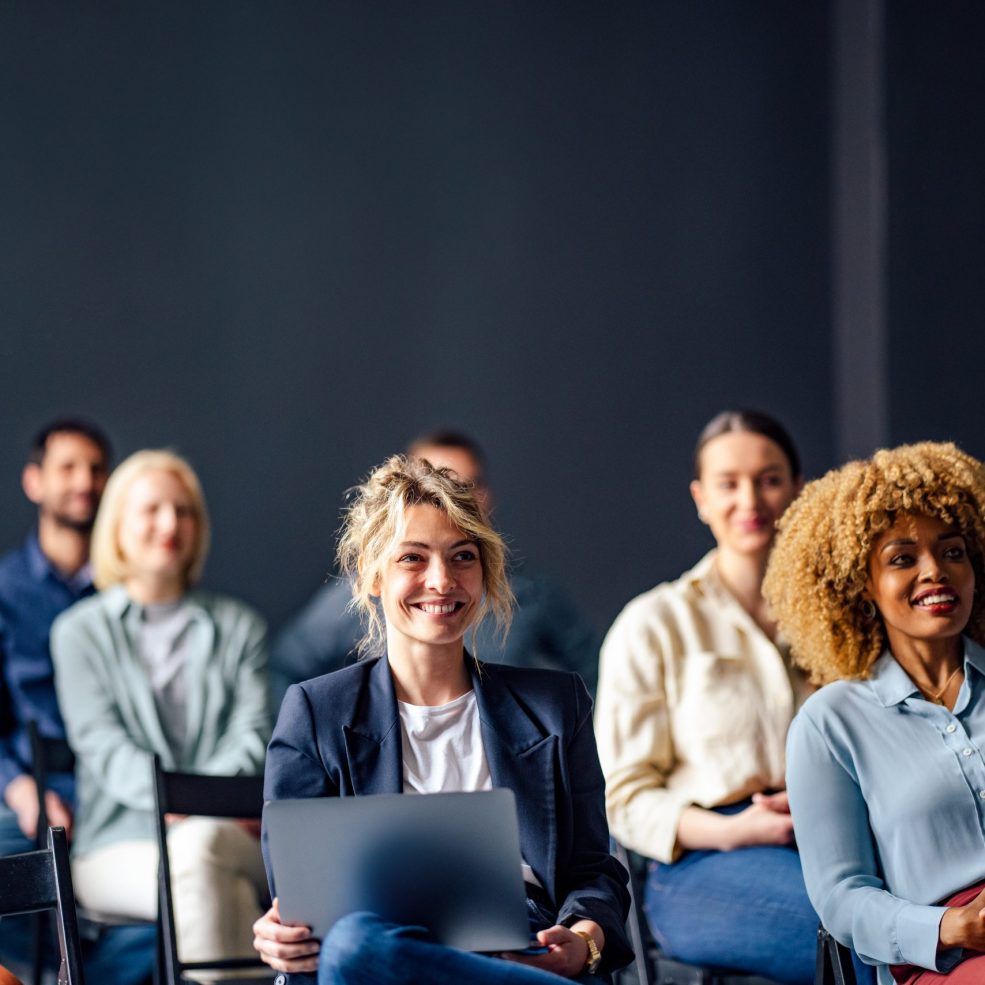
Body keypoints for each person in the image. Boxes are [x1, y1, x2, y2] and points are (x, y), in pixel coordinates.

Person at [252, 455, 632, 985]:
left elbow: (594, 870)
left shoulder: (555, 704)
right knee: (355, 945)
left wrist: (585, 941)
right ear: (371, 573)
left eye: (462, 557)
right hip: (378, 946)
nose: (442, 580)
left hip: (522, 943)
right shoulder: (315, 713)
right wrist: (284, 934)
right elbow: (297, 894)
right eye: (413, 557)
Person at [594, 409, 822, 985]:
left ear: (797, 488)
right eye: (728, 483)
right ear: (700, 497)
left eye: (770, 479)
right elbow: (623, 799)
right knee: (861, 933)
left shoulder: (835, 613)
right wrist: (737, 829)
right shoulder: (654, 623)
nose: (751, 499)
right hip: (706, 862)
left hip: (834, 839)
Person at [763, 441, 985, 985]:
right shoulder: (829, 723)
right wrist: (951, 927)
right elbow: (842, 900)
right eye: (902, 558)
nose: (935, 571)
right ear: (863, 583)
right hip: (949, 957)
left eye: (953, 551)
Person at [50, 449, 271, 966]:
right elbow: (102, 746)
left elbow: (253, 737)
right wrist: (179, 803)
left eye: (185, 510)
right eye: (151, 509)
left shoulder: (242, 627)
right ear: (117, 525)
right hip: (115, 847)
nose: (170, 523)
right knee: (205, 875)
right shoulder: (79, 632)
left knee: (197, 853)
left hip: (227, 834)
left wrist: (191, 805)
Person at [270, 430, 599, 700]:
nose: (441, 582)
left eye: (463, 487)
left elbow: (598, 672)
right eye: (412, 558)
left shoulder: (533, 594)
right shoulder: (356, 593)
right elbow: (287, 665)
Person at [0, 419, 155, 984]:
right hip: (35, 788)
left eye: (96, 469)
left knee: (174, 894)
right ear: (34, 481)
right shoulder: (5, 590)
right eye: (68, 467)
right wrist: (18, 788)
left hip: (118, 788)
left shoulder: (132, 591)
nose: (85, 482)